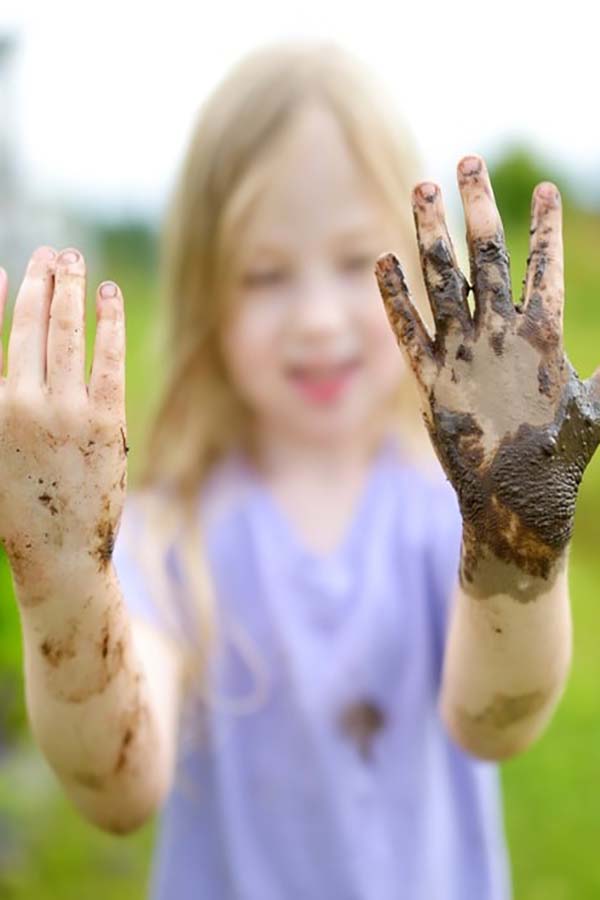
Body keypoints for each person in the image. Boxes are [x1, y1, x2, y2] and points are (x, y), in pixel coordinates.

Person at [1, 37, 598, 900]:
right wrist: (63, 587)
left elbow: (496, 720)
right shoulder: (173, 532)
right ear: (205, 295)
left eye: (359, 263)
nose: (318, 318)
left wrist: (516, 533)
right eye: (266, 273)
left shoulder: (445, 509)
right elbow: (118, 789)